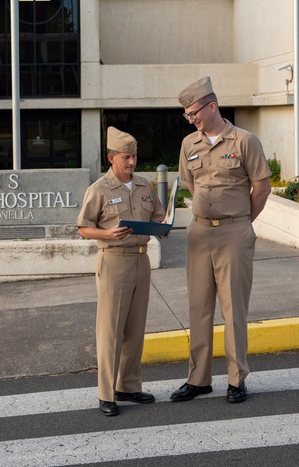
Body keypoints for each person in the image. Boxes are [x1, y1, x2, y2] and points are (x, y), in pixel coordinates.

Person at [171, 76, 271, 404]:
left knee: (233, 309)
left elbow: (262, 188)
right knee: (199, 308)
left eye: (195, 112)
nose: (191, 119)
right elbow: (192, 185)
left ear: (212, 106)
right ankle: (198, 379)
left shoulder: (244, 141)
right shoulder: (189, 144)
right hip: (200, 232)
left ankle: (236, 378)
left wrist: (240, 221)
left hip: (233, 233)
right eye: (187, 115)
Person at [77, 126, 166, 417]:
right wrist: (106, 234)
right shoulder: (99, 189)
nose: (132, 162)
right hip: (114, 260)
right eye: (126, 157)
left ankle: (128, 385)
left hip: (142, 261)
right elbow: (83, 228)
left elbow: (158, 215)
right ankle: (106, 393)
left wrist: (163, 226)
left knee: (135, 329)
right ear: (111, 158)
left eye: (135, 156)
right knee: (111, 329)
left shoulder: (144, 186)